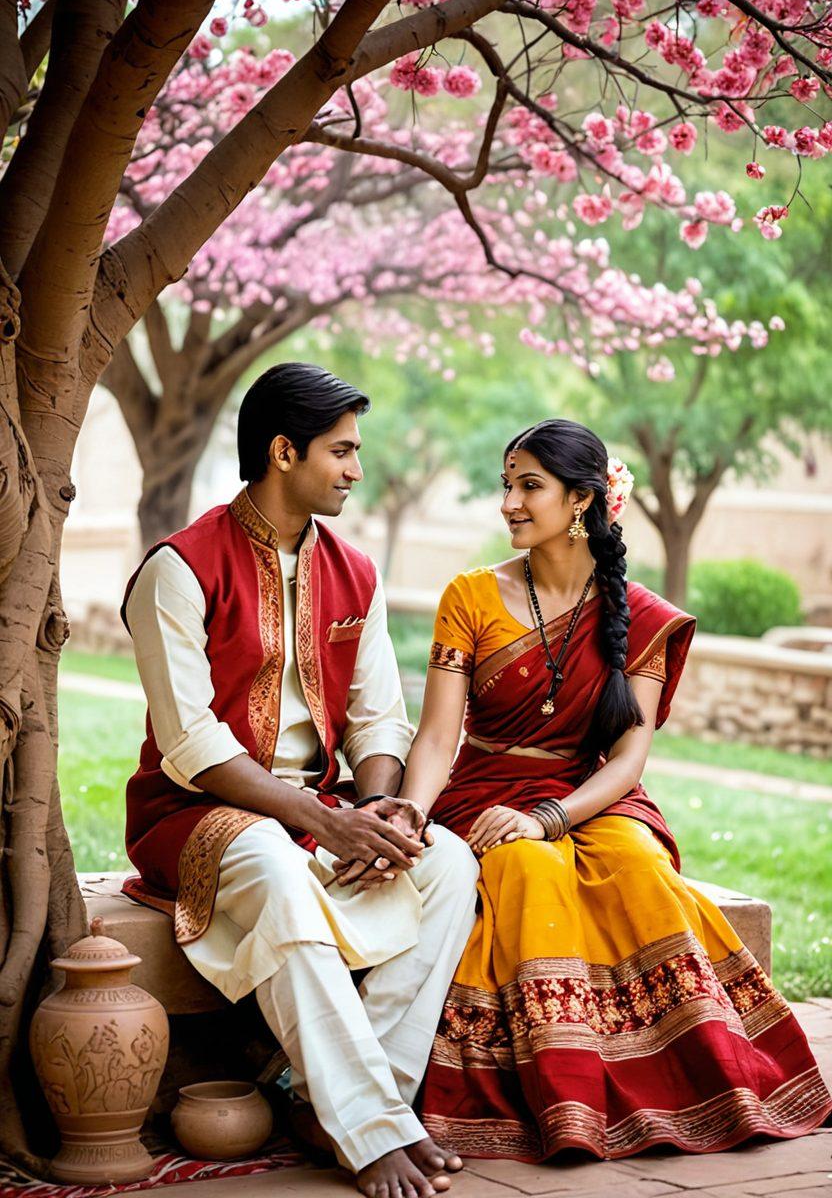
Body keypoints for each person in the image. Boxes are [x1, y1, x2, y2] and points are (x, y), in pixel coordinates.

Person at [399, 418, 832, 1162]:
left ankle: (707, 1082)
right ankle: (566, 1100)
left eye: (528, 485)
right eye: (507, 483)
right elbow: (438, 737)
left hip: (589, 792)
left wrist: (548, 816)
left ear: (582, 500)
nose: (508, 502)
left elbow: (629, 761)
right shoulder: (470, 595)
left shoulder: (645, 618)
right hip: (486, 789)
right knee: (527, 872)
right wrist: (412, 811)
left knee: (637, 868)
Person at [120, 363, 479, 1198]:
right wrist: (325, 820)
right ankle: (374, 1131)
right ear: (284, 451)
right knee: (278, 866)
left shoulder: (355, 572)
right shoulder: (179, 566)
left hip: (320, 813)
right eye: (342, 451)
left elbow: (377, 719)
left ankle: (336, 1100)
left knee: (450, 862)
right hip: (197, 811)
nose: (357, 470)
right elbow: (191, 743)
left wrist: (383, 804)